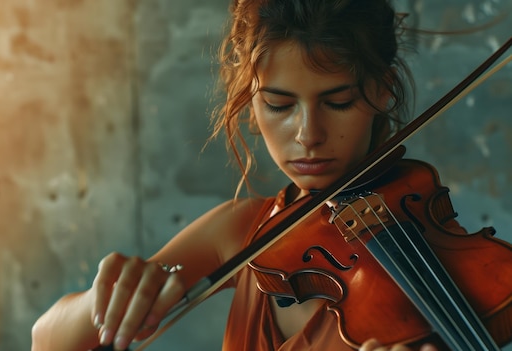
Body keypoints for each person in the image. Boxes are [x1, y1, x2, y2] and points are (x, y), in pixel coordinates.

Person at [30, 1, 504, 350]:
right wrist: (104, 299)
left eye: (338, 102)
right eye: (279, 104)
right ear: (252, 105)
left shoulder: (459, 270)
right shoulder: (241, 233)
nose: (308, 134)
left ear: (382, 91)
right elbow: (46, 340)